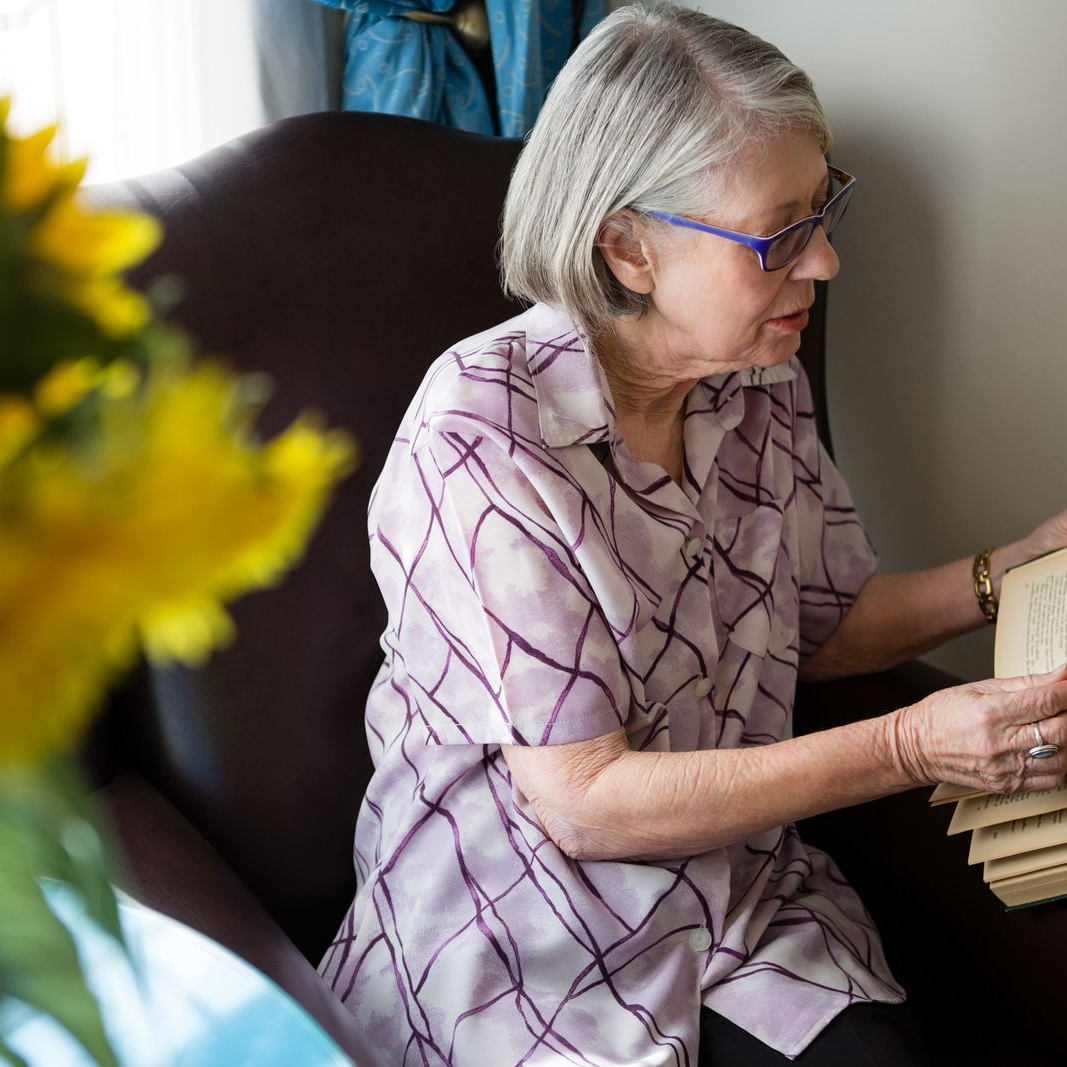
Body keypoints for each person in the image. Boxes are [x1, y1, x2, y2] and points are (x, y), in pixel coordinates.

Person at [319, 3, 1067, 1064]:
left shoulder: (754, 377)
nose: (823, 267)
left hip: (735, 894)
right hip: (520, 932)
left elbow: (817, 624)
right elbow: (584, 803)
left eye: (823, 212)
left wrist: (1007, 571)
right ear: (627, 247)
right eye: (777, 234)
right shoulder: (480, 437)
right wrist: (910, 741)